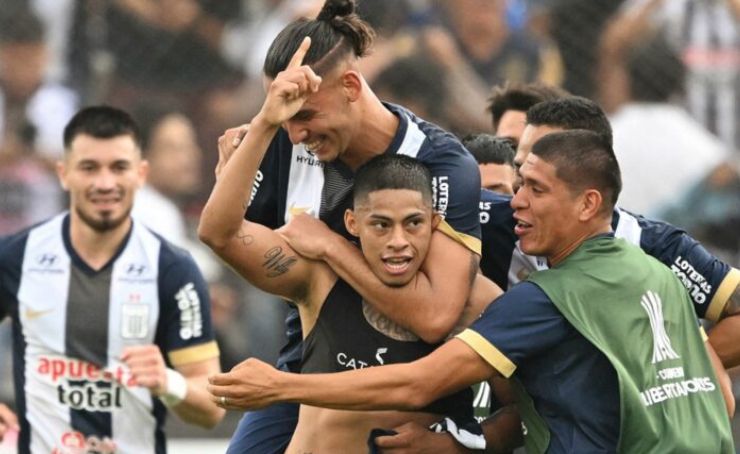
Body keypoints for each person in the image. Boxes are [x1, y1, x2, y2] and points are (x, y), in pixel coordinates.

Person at [209, 130, 735, 453]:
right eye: (381, 224)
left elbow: (420, 385)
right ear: (352, 222)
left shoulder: (539, 300)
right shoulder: (656, 276)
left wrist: (282, 386)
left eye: (534, 190)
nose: (515, 203)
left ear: (588, 203)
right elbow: (720, 393)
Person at [215, 1, 482, 452]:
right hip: (308, 360)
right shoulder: (283, 139)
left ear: (351, 86)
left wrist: (330, 247)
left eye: (305, 115)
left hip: (410, 380)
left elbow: (436, 317)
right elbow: (228, 237)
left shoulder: (442, 164)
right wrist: (241, 163)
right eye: (283, 116)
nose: (295, 134)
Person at [200, 148, 480, 451]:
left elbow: (514, 411)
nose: (398, 241)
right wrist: (262, 129)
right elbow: (220, 235)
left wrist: (450, 445)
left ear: (434, 222)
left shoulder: (473, 302)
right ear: (352, 223)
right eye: (381, 225)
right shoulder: (319, 277)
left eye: (413, 223)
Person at [0, 106, 224, 453]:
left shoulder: (172, 269)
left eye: (119, 167)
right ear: (63, 174)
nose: (105, 183)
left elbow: (212, 408)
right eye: (89, 168)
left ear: (141, 173)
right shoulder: (18, 257)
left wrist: (168, 382)